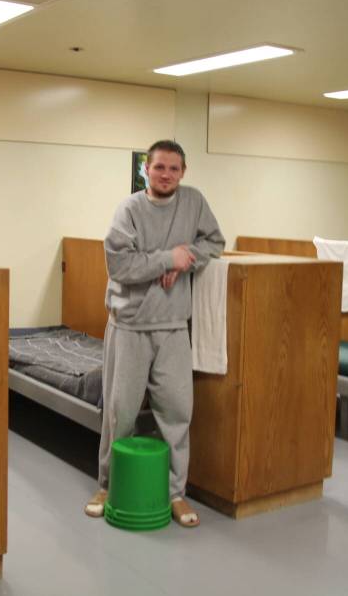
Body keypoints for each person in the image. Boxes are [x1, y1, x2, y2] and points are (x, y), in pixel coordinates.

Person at [85, 139, 225, 528]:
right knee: (120, 413)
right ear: (146, 169)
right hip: (130, 326)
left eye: (173, 168)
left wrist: (184, 261)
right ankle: (107, 485)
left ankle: (175, 493)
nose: (166, 175)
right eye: (159, 167)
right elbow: (119, 265)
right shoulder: (129, 210)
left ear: (183, 172)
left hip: (174, 327)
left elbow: (215, 241)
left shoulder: (194, 202)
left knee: (178, 412)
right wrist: (167, 258)